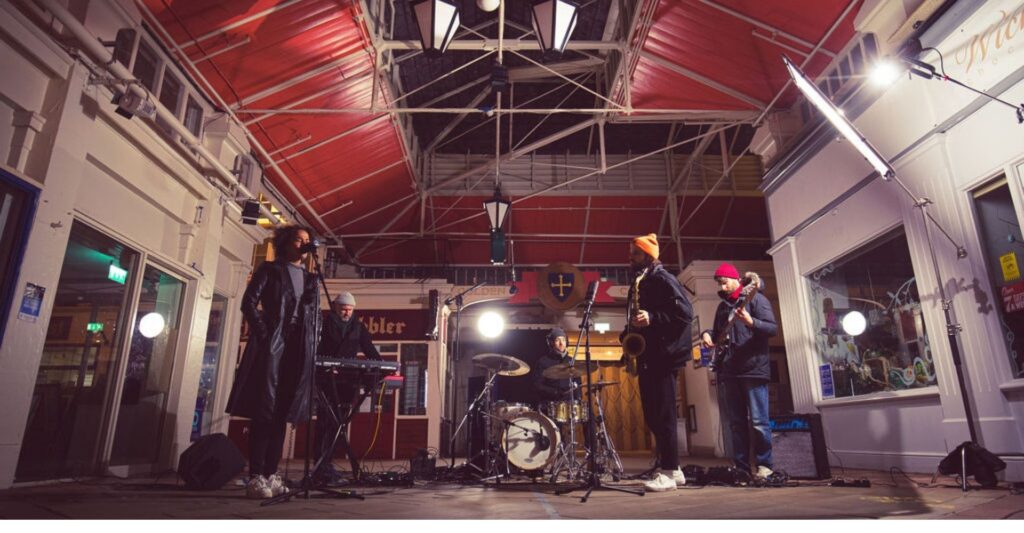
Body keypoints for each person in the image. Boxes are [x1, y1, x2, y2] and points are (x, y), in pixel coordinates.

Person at [226, 225, 319, 499]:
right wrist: (265, 334)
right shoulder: (269, 270)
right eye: (299, 239)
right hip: (272, 345)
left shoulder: (311, 279)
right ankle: (255, 476)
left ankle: (271, 473)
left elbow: (313, 315)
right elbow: (248, 303)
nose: (303, 244)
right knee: (264, 410)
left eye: (307, 241)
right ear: (285, 243)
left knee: (282, 412)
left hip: (296, 347)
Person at [623, 234, 694, 492]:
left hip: (664, 356)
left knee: (663, 415)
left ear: (649, 256)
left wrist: (652, 317)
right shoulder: (642, 281)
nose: (630, 257)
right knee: (654, 415)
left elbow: (686, 313)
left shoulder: (663, 279)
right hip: (650, 355)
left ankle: (667, 470)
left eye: (635, 253)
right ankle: (673, 470)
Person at [700, 262, 778, 480]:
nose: (722, 287)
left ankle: (765, 466)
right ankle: (742, 468)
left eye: (724, 282)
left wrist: (752, 322)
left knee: (759, 421)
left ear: (735, 279)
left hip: (753, 369)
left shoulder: (757, 299)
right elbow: (717, 333)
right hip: (730, 370)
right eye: (719, 284)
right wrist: (707, 334)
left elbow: (772, 328)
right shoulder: (723, 307)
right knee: (736, 423)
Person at [314, 291, 381, 481]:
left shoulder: (358, 327)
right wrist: (323, 366)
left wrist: (382, 366)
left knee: (340, 423)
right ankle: (320, 465)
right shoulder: (324, 326)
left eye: (350, 310)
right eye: (343, 309)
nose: (347, 313)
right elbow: (317, 349)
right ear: (335, 308)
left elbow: (369, 349)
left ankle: (328, 463)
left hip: (347, 381)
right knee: (324, 423)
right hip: (327, 380)